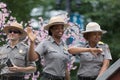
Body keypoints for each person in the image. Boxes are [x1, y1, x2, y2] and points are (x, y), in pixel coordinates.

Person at [26, 16, 103, 80]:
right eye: (56, 28)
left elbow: (65, 67)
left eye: (62, 28)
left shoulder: (64, 45)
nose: (60, 30)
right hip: (48, 77)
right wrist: (32, 42)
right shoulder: (45, 43)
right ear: (51, 30)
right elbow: (32, 58)